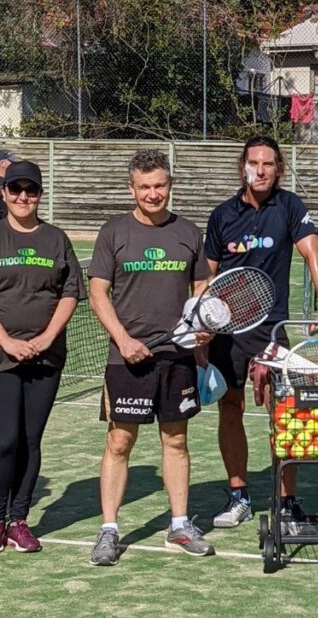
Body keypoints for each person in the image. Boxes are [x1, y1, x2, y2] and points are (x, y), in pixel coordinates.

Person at [204, 135, 318, 530]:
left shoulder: (290, 206)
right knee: (231, 410)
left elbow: (312, 254)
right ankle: (238, 495)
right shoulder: (222, 215)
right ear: (242, 167)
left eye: (268, 164)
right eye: (253, 163)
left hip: (271, 332)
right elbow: (206, 277)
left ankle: (286, 502)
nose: (260, 170)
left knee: (283, 417)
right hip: (227, 333)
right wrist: (201, 324)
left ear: (278, 168)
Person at [87, 150, 213, 566]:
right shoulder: (114, 232)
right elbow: (97, 293)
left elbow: (200, 290)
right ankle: (109, 530)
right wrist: (123, 340)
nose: (153, 193)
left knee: (176, 439)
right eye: (145, 187)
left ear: (170, 185)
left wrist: (202, 329)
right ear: (132, 189)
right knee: (119, 441)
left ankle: (178, 525)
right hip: (127, 359)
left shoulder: (189, 233)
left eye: (159, 185)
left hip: (177, 358)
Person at [0, 160, 84, 554]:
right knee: (5, 440)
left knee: (31, 440)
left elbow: (69, 293)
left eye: (30, 191)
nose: (22, 197)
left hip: (45, 358)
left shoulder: (56, 239)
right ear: (4, 193)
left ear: (39, 195)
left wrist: (48, 337)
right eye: (16, 190)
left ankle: (19, 519)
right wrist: (6, 340)